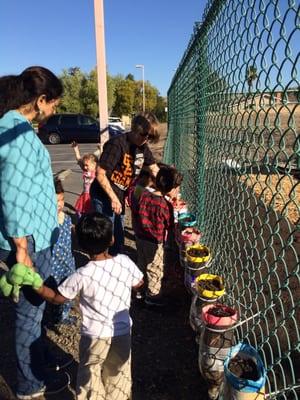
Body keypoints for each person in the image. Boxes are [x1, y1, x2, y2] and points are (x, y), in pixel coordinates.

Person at [28, 213, 143, 400]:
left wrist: (38, 286)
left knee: (90, 373)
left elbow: (58, 298)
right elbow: (139, 282)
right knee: (118, 373)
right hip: (122, 331)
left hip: (95, 335)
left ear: (80, 245)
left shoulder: (83, 274)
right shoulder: (124, 261)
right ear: (112, 239)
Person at [0, 66, 63, 399]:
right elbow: (13, 193)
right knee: (29, 313)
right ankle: (30, 384)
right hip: (28, 240)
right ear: (40, 100)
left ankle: (41, 363)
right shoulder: (18, 136)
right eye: (53, 104)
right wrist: (21, 249)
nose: (53, 112)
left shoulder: (11, 127)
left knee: (34, 308)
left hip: (33, 235)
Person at [90, 112, 160, 255]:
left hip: (119, 195)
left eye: (150, 137)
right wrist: (113, 199)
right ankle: (103, 259)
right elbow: (100, 173)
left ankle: (117, 257)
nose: (146, 140)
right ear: (135, 130)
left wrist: (168, 187)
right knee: (106, 232)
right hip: (104, 195)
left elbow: (154, 169)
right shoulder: (117, 144)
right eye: (144, 135)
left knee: (118, 232)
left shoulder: (143, 148)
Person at [131, 165, 183, 306]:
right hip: (155, 241)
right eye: (177, 188)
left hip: (140, 236)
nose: (178, 191)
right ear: (170, 188)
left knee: (142, 262)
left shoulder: (143, 193)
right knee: (155, 268)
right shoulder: (165, 205)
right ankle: (153, 296)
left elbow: (135, 197)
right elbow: (170, 226)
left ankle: (139, 289)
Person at [46, 178, 76, 325]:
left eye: (62, 199)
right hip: (52, 266)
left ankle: (63, 315)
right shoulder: (45, 222)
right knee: (53, 292)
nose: (59, 204)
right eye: (55, 200)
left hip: (68, 262)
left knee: (68, 289)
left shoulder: (67, 218)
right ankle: (51, 317)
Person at [71, 141, 97, 216]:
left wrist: (101, 148)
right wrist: (76, 149)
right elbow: (79, 160)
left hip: (92, 195)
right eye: (84, 165)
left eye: (87, 165)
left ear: (94, 164)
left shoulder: (96, 172)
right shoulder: (85, 170)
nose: (85, 167)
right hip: (85, 194)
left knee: (92, 211)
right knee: (81, 210)